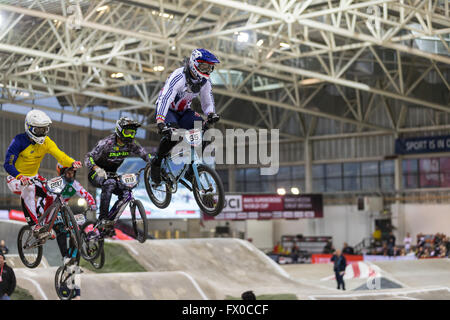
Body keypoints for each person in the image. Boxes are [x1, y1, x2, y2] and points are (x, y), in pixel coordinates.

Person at [3, 109, 82, 237]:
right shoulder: (19, 141)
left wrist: (72, 163)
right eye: (38, 130)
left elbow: (60, 155)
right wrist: (20, 176)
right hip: (15, 178)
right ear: (29, 127)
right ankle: (35, 226)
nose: (42, 133)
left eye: (44, 129)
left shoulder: (47, 142)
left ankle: (45, 226)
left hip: (34, 176)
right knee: (28, 188)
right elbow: (7, 164)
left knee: (53, 193)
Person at [150, 48, 221, 184]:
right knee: (173, 135)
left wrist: (211, 113)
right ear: (194, 64)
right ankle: (157, 162)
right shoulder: (178, 76)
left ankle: (191, 171)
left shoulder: (205, 81)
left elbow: (207, 100)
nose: (206, 71)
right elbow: (165, 98)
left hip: (184, 111)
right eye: (204, 66)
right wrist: (160, 121)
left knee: (205, 131)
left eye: (210, 68)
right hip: (168, 110)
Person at [84, 117, 151, 232]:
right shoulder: (106, 143)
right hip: (96, 174)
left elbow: (144, 154)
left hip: (112, 175)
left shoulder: (131, 144)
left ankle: (111, 221)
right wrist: (96, 168)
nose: (130, 136)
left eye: (133, 133)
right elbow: (88, 157)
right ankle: (103, 218)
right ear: (119, 130)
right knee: (109, 183)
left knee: (126, 193)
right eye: (128, 132)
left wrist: (153, 162)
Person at [54, 164, 97, 265]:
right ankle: (65, 256)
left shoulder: (74, 184)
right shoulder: (56, 183)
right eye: (68, 173)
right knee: (61, 231)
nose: (71, 175)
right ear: (61, 173)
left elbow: (85, 193)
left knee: (77, 230)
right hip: (52, 210)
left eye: (73, 173)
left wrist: (93, 204)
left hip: (64, 209)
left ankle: (73, 259)